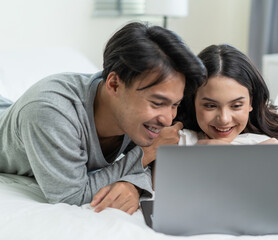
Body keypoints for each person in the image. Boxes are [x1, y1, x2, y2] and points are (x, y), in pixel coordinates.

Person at [0, 22, 205, 214]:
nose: (167, 120)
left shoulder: (135, 114)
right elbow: (71, 194)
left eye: (175, 105)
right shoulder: (50, 111)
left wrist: (132, 185)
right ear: (114, 84)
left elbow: (145, 165)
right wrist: (147, 152)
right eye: (157, 103)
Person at [173, 44, 278, 203]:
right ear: (192, 101)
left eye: (236, 106)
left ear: (252, 101)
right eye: (210, 105)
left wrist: (248, 159)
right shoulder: (178, 135)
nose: (224, 118)